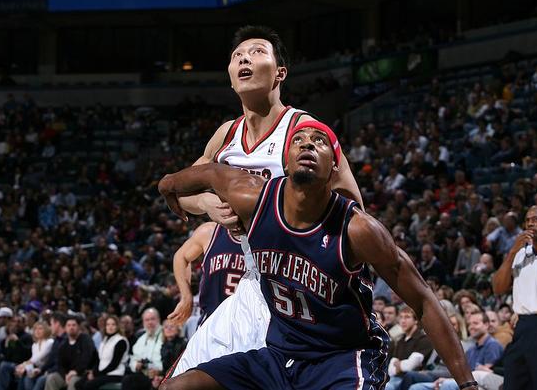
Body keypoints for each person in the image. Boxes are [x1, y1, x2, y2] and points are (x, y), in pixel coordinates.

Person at [158, 121, 476, 389]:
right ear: (285, 163)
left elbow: (423, 301)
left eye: (319, 141)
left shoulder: (358, 229)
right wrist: (167, 185)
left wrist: (468, 384)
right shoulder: (251, 197)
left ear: (334, 167)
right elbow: (210, 173)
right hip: (279, 356)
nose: (308, 144)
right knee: (176, 387)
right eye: (298, 140)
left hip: (342, 359)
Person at [169, 25, 364, 376]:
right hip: (252, 283)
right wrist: (209, 206)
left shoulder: (304, 131)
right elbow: (182, 193)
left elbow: (353, 206)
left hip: (301, 284)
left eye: (257, 51)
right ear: (231, 79)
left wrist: (282, 215)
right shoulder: (226, 134)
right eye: (237, 56)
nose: (245, 58)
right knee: (184, 378)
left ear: (280, 73)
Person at [491, 205, 537, 390]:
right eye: (528, 220)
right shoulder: (519, 254)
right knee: (513, 383)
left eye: (536, 219)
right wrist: (511, 253)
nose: (531, 224)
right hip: (522, 327)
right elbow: (498, 288)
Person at [168, 221, 246, 328]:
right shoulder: (210, 231)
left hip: (246, 324)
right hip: (211, 321)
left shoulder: (262, 236)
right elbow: (180, 257)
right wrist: (186, 297)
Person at [385, 306, 433, 390]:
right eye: (401, 317)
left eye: (407, 317)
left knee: (388, 387)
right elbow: (391, 369)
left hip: (412, 379)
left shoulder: (424, 339)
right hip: (395, 378)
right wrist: (401, 365)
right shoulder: (400, 340)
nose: (403, 321)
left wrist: (399, 365)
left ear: (416, 320)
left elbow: (410, 366)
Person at [43, 315, 94, 390]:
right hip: (67, 374)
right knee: (52, 378)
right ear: (65, 328)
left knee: (73, 380)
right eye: (69, 325)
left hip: (82, 373)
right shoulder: (64, 344)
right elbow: (60, 364)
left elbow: (87, 359)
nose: (71, 327)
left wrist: (76, 371)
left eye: (74, 325)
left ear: (78, 327)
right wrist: (65, 375)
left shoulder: (85, 339)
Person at [78, 315, 128, 390]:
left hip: (115, 374)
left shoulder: (121, 341)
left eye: (113, 324)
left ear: (117, 326)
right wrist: (93, 372)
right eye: (108, 324)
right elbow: (99, 360)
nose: (110, 327)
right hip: (102, 373)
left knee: (88, 385)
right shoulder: (104, 340)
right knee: (78, 384)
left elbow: (114, 364)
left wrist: (97, 374)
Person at [27, 313, 66, 390]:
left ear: (57, 324)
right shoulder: (56, 340)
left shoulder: (51, 342)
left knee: (41, 379)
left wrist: (47, 371)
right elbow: (50, 360)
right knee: (27, 377)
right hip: (47, 369)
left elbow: (37, 358)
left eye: (51, 324)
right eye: (35, 329)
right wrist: (41, 370)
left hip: (59, 372)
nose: (50, 327)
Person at [0, 316, 33, 390]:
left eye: (19, 322)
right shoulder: (11, 337)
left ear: (24, 324)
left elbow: (26, 354)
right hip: (12, 364)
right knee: (2, 364)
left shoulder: (27, 337)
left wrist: (17, 341)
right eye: (14, 322)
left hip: (23, 364)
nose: (16, 324)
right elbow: (8, 356)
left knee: (4, 366)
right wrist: (6, 345)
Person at [14, 322, 53, 390]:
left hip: (46, 370)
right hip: (36, 369)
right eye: (35, 329)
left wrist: (23, 365)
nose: (37, 331)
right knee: (26, 376)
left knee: (30, 377)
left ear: (46, 330)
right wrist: (24, 368)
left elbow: (38, 357)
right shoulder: (34, 345)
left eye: (40, 329)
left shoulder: (50, 342)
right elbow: (33, 362)